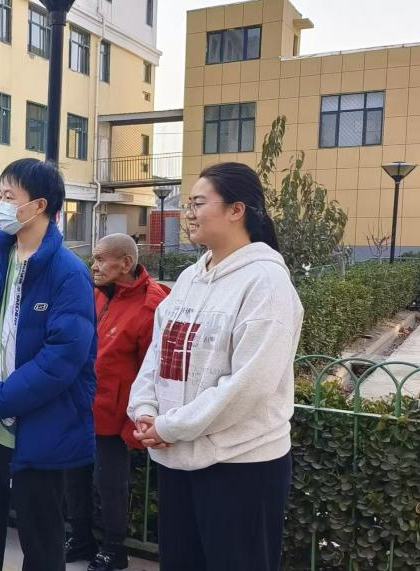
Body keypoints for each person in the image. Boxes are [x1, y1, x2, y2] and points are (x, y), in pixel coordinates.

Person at [128, 162, 302, 571]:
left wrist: (170, 426)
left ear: (237, 210)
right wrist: (146, 409)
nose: (188, 213)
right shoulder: (191, 277)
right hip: (177, 457)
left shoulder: (266, 283)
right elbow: (158, 352)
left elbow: (249, 385)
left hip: (241, 466)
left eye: (199, 203)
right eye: (188, 204)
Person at [0, 159, 97, 571]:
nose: (0, 204)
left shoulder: (69, 274)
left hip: (41, 431)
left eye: (8, 196)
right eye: (0, 194)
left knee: (41, 542)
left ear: (39, 205)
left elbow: (61, 359)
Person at [64, 234, 168, 570]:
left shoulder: (151, 306)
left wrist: (133, 422)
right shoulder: (95, 292)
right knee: (74, 478)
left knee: (109, 485)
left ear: (125, 263)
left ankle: (113, 548)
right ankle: (80, 538)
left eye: (100, 259)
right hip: (81, 408)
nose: (93, 266)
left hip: (115, 416)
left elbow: (152, 371)